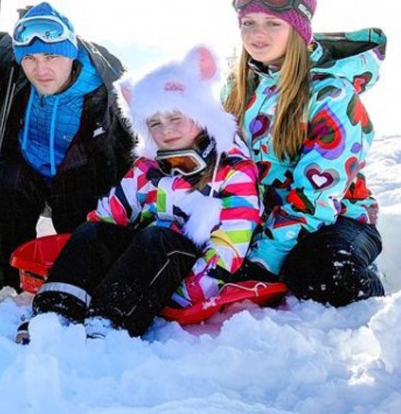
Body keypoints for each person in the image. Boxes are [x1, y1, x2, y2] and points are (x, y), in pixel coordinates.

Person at [19, 46, 261, 342]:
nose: (166, 130)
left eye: (175, 118)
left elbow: (230, 243)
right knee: (93, 231)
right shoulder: (148, 168)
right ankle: (54, 312)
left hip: (186, 270)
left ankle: (108, 323)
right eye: (155, 123)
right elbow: (110, 214)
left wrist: (184, 294)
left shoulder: (233, 170)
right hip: (141, 269)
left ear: (201, 115)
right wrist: (93, 262)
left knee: (157, 238)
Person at [223, 0, 385, 307]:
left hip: (335, 219)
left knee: (321, 271)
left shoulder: (331, 95)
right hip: (254, 220)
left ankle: (377, 304)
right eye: (248, 23)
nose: (257, 33)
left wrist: (263, 258)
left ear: (298, 30)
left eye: (273, 23)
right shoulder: (236, 90)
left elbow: (318, 196)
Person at [0, 2, 136, 290]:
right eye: (30, 58)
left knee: (80, 233)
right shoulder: (13, 62)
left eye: (51, 56)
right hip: (27, 171)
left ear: (71, 52)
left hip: (81, 180)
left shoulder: (110, 86)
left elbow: (137, 148)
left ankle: (77, 284)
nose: (41, 69)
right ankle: (6, 285)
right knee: (7, 184)